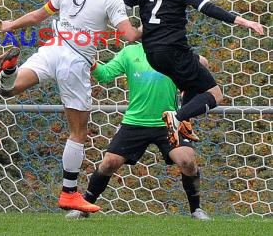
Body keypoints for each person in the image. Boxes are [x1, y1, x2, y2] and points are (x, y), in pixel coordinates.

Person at [0, 0, 142, 214]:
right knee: (78, 132)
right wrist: (151, 25)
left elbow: (37, 16)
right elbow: (128, 36)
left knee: (9, 91)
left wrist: (11, 25)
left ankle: (10, 69)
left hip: (53, 48)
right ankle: (69, 193)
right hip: (76, 61)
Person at [122, 0, 264, 147]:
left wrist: (130, 27)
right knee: (215, 94)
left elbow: (119, 3)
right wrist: (244, 22)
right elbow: (208, 7)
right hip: (174, 53)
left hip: (152, 54)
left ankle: (184, 124)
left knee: (200, 65)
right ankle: (177, 117)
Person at [66, 43, 211, 220]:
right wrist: (91, 62)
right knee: (109, 163)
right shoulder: (129, 52)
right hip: (135, 122)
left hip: (169, 120)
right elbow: (105, 75)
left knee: (187, 161)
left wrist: (191, 84)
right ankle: (84, 207)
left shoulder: (171, 49)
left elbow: (203, 62)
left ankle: (196, 210)